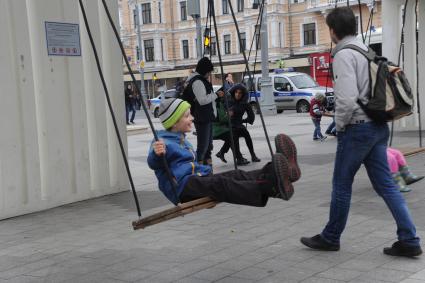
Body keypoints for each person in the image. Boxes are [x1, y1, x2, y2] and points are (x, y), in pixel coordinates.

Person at [300, 7, 422, 257]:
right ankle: (409, 239)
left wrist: (341, 126)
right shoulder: (366, 50)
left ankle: (331, 237)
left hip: (357, 129)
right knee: (387, 186)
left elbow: (346, 100)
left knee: (341, 185)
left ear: (333, 30)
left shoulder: (344, 54)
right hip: (377, 126)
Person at [147, 98, 297, 207]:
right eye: (187, 116)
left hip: (197, 179)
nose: (192, 118)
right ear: (173, 122)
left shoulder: (181, 139)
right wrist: (157, 153)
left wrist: (206, 171)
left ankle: (276, 171)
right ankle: (270, 186)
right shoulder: (161, 142)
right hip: (182, 188)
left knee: (236, 175)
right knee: (222, 184)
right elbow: (154, 162)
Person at [184, 57, 216, 167]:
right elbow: (202, 100)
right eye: (208, 72)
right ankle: (200, 169)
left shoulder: (201, 80)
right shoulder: (197, 81)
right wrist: (216, 95)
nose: (209, 74)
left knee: (209, 146)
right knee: (203, 146)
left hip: (207, 116)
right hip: (202, 117)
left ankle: (208, 168)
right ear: (204, 70)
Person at [229, 84, 261, 165]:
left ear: (243, 95)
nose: (237, 94)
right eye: (236, 92)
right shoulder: (229, 101)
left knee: (247, 135)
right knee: (234, 136)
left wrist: (243, 121)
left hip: (239, 124)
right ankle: (239, 158)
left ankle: (253, 155)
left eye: (240, 93)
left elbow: (251, 117)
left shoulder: (245, 104)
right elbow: (224, 115)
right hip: (229, 125)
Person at [213, 88, 243, 164]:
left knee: (232, 136)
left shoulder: (217, 103)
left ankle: (222, 152)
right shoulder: (217, 104)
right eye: (223, 95)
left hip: (217, 128)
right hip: (215, 129)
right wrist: (229, 116)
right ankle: (239, 158)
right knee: (233, 136)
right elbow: (222, 119)